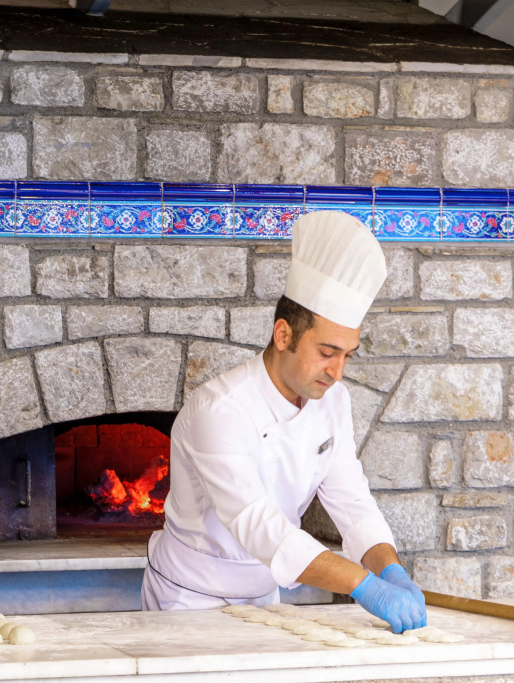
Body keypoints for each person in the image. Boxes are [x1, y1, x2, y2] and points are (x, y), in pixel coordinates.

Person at [141, 210, 427, 633]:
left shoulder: (334, 402)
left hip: (264, 598)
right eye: (327, 352)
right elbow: (259, 525)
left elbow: (351, 500)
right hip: (189, 599)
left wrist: (389, 569)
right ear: (283, 335)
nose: (337, 372)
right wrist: (364, 586)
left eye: (347, 355)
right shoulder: (219, 410)